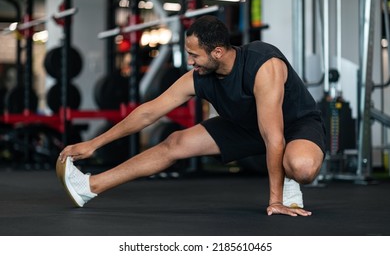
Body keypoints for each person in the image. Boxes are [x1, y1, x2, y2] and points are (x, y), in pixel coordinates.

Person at [57, 15, 326, 217]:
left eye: (194, 55)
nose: (190, 61)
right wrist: (93, 144)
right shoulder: (200, 76)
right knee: (175, 142)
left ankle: (289, 180)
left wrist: (275, 201)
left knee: (300, 166)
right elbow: (148, 112)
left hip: (293, 125)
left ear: (217, 52)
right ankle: (89, 187)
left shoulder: (263, 64)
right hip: (246, 126)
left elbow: (273, 135)